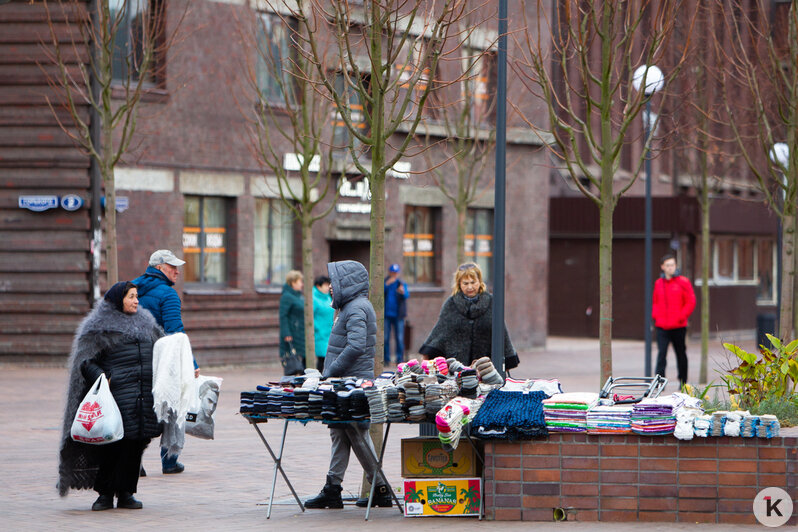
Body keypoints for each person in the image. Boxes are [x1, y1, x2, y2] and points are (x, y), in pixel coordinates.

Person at [58, 281, 164, 510]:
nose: (137, 301)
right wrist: (101, 375)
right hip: (115, 396)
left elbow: (161, 350)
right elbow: (85, 361)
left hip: (142, 395)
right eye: (131, 297)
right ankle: (105, 494)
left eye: (137, 296)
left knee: (136, 445)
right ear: (119, 299)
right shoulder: (99, 326)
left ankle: (126, 493)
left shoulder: (147, 323)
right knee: (112, 445)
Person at [305, 260, 393, 509]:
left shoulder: (356, 308)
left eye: (335, 282)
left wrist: (330, 371)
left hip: (351, 385)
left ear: (348, 282)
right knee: (340, 434)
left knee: (356, 433)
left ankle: (380, 488)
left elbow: (356, 346)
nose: (331, 286)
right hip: (344, 383)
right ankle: (333, 489)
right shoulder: (349, 307)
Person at [133, 249, 198, 475]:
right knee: (171, 403)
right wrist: (192, 363)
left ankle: (135, 462)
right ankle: (169, 460)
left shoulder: (132, 289)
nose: (177, 272)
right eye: (173, 267)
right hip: (162, 360)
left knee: (138, 408)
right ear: (159, 267)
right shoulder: (168, 295)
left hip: (134, 357)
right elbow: (175, 334)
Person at [419, 262, 519, 371]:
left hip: (487, 369)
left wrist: (507, 360)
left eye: (473, 282)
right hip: (457, 371)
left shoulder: (491, 303)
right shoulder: (451, 304)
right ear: (459, 284)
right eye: (465, 283)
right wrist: (428, 353)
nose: (470, 287)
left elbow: (501, 333)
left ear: (480, 282)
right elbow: (440, 332)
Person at [652, 253, 696, 387]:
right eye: (668, 265)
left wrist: (682, 316)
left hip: (678, 326)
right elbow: (655, 302)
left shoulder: (683, 282)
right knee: (661, 355)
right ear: (662, 267)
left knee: (681, 354)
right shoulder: (659, 283)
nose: (670, 268)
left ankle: (683, 382)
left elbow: (691, 301)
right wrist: (656, 316)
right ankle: (660, 382)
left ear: (675, 266)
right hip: (662, 326)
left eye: (672, 265)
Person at [279, 270, 306, 375]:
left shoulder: (299, 296)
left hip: (300, 333)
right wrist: (286, 333)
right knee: (293, 362)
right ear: (293, 282)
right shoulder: (287, 297)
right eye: (300, 282)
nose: (302, 284)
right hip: (292, 333)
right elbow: (283, 316)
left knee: (302, 362)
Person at [383, 263, 409, 365]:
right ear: (389, 272)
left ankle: (399, 359)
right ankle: (386, 359)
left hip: (398, 315)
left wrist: (402, 292)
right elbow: (379, 293)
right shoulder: (385, 282)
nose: (394, 275)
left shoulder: (401, 283)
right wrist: (387, 285)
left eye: (395, 273)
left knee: (399, 338)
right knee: (385, 338)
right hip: (386, 315)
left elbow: (406, 295)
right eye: (392, 272)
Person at [312, 275, 335, 372]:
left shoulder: (327, 298)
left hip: (328, 332)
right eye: (325, 285)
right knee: (322, 359)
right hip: (319, 333)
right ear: (318, 286)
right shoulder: (313, 298)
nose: (328, 287)